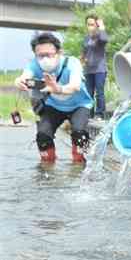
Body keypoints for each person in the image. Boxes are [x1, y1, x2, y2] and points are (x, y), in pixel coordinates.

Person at [14, 33, 94, 163]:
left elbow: (75, 86)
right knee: (43, 135)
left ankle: (79, 163)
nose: (45, 59)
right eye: (40, 55)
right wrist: (19, 81)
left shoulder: (72, 63)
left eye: (49, 54)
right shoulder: (34, 64)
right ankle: (48, 166)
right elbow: (25, 76)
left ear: (59, 52)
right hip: (54, 106)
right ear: (35, 55)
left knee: (80, 133)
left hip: (79, 105)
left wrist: (58, 89)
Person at [81, 14, 108, 119]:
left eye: (92, 24)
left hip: (99, 69)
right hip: (88, 70)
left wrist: (102, 27)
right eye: (88, 24)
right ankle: (89, 114)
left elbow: (105, 39)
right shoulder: (86, 38)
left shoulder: (100, 36)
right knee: (88, 93)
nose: (90, 27)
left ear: (96, 25)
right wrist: (82, 63)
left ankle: (100, 114)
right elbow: (83, 52)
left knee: (99, 93)